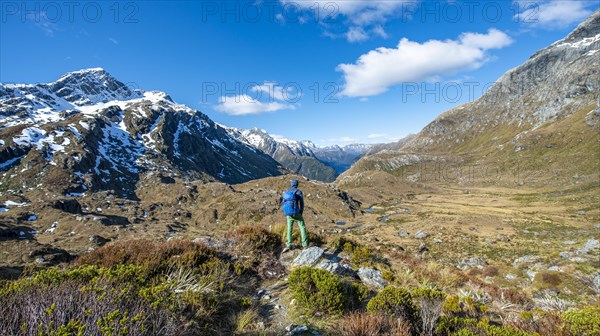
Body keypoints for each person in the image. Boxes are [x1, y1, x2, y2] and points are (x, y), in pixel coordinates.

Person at [281, 179, 308, 251]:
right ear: (297, 184)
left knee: (289, 228)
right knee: (302, 227)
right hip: (296, 213)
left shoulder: (287, 191)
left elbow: (283, 202)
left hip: (288, 213)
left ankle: (288, 244)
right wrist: (300, 212)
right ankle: (304, 245)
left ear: (291, 184)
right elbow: (301, 203)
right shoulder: (298, 192)